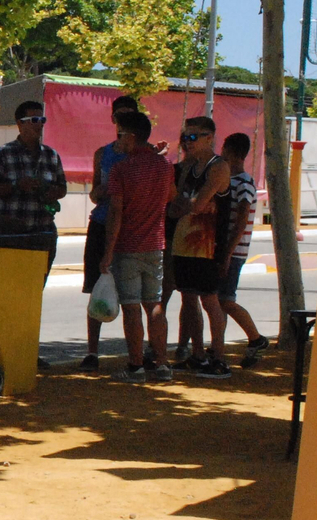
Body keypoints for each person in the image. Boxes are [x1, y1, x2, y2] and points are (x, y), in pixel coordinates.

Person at [101, 111, 176, 383]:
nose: (117, 140)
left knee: (132, 307)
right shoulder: (165, 166)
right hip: (155, 244)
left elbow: (116, 213)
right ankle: (163, 364)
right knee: (154, 304)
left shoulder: (122, 169)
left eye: (120, 134)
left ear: (131, 137)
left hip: (128, 246)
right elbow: (171, 198)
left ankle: (135, 366)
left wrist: (108, 251)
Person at [167, 116, 233, 378]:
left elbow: (198, 204)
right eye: (185, 137)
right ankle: (198, 355)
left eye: (193, 137)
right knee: (188, 298)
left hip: (208, 245)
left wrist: (183, 204)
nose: (187, 142)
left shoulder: (218, 168)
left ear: (210, 137)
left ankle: (219, 357)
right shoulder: (188, 168)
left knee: (210, 300)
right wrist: (183, 204)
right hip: (184, 243)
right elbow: (174, 208)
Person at [80, 95, 138, 370]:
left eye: (129, 115)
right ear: (112, 118)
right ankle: (92, 352)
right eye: (119, 115)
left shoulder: (145, 155)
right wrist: (104, 190)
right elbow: (94, 193)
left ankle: (135, 355)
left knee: (132, 294)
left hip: (131, 227)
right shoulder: (103, 154)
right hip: (102, 225)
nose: (122, 120)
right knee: (96, 288)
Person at [0, 99, 68, 279]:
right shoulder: (3, 153)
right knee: (11, 286)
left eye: (42, 120)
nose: (39, 125)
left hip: (43, 232)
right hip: (11, 235)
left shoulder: (51, 155)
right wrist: (16, 186)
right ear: (20, 124)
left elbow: (62, 188)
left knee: (35, 288)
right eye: (34, 120)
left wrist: (52, 193)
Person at [216, 132, 270, 366]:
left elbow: (241, 219)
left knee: (225, 299)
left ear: (233, 153)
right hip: (226, 247)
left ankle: (255, 337)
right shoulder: (230, 180)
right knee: (219, 300)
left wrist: (228, 252)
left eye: (225, 149)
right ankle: (218, 344)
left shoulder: (244, 183)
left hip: (234, 250)